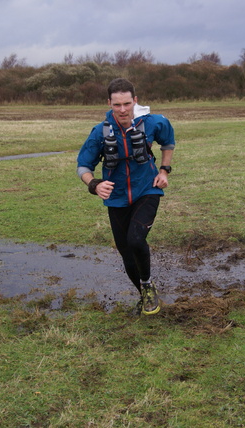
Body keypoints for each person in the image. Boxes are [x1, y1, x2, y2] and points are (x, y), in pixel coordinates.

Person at [77, 78, 175, 315]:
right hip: (117, 197)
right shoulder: (100, 132)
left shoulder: (154, 122)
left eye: (127, 103)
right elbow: (83, 165)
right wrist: (94, 185)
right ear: (109, 103)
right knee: (126, 252)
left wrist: (164, 170)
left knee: (135, 240)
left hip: (147, 190)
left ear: (135, 101)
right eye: (117, 104)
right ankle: (145, 293)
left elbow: (168, 142)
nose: (122, 109)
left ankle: (147, 284)